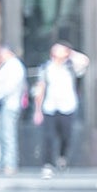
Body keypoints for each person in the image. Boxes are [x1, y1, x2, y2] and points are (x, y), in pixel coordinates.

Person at [36, 40, 89, 171]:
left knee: (66, 135)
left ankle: (62, 157)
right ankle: (47, 163)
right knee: (48, 136)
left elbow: (85, 61)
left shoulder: (71, 67)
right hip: (50, 106)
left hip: (67, 106)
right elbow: (40, 88)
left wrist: (69, 52)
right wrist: (38, 110)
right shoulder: (46, 67)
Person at [0, 43, 26, 176]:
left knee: (8, 135)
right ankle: (5, 163)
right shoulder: (6, 66)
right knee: (3, 134)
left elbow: (8, 87)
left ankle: (9, 164)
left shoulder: (14, 66)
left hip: (9, 104)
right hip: (4, 105)